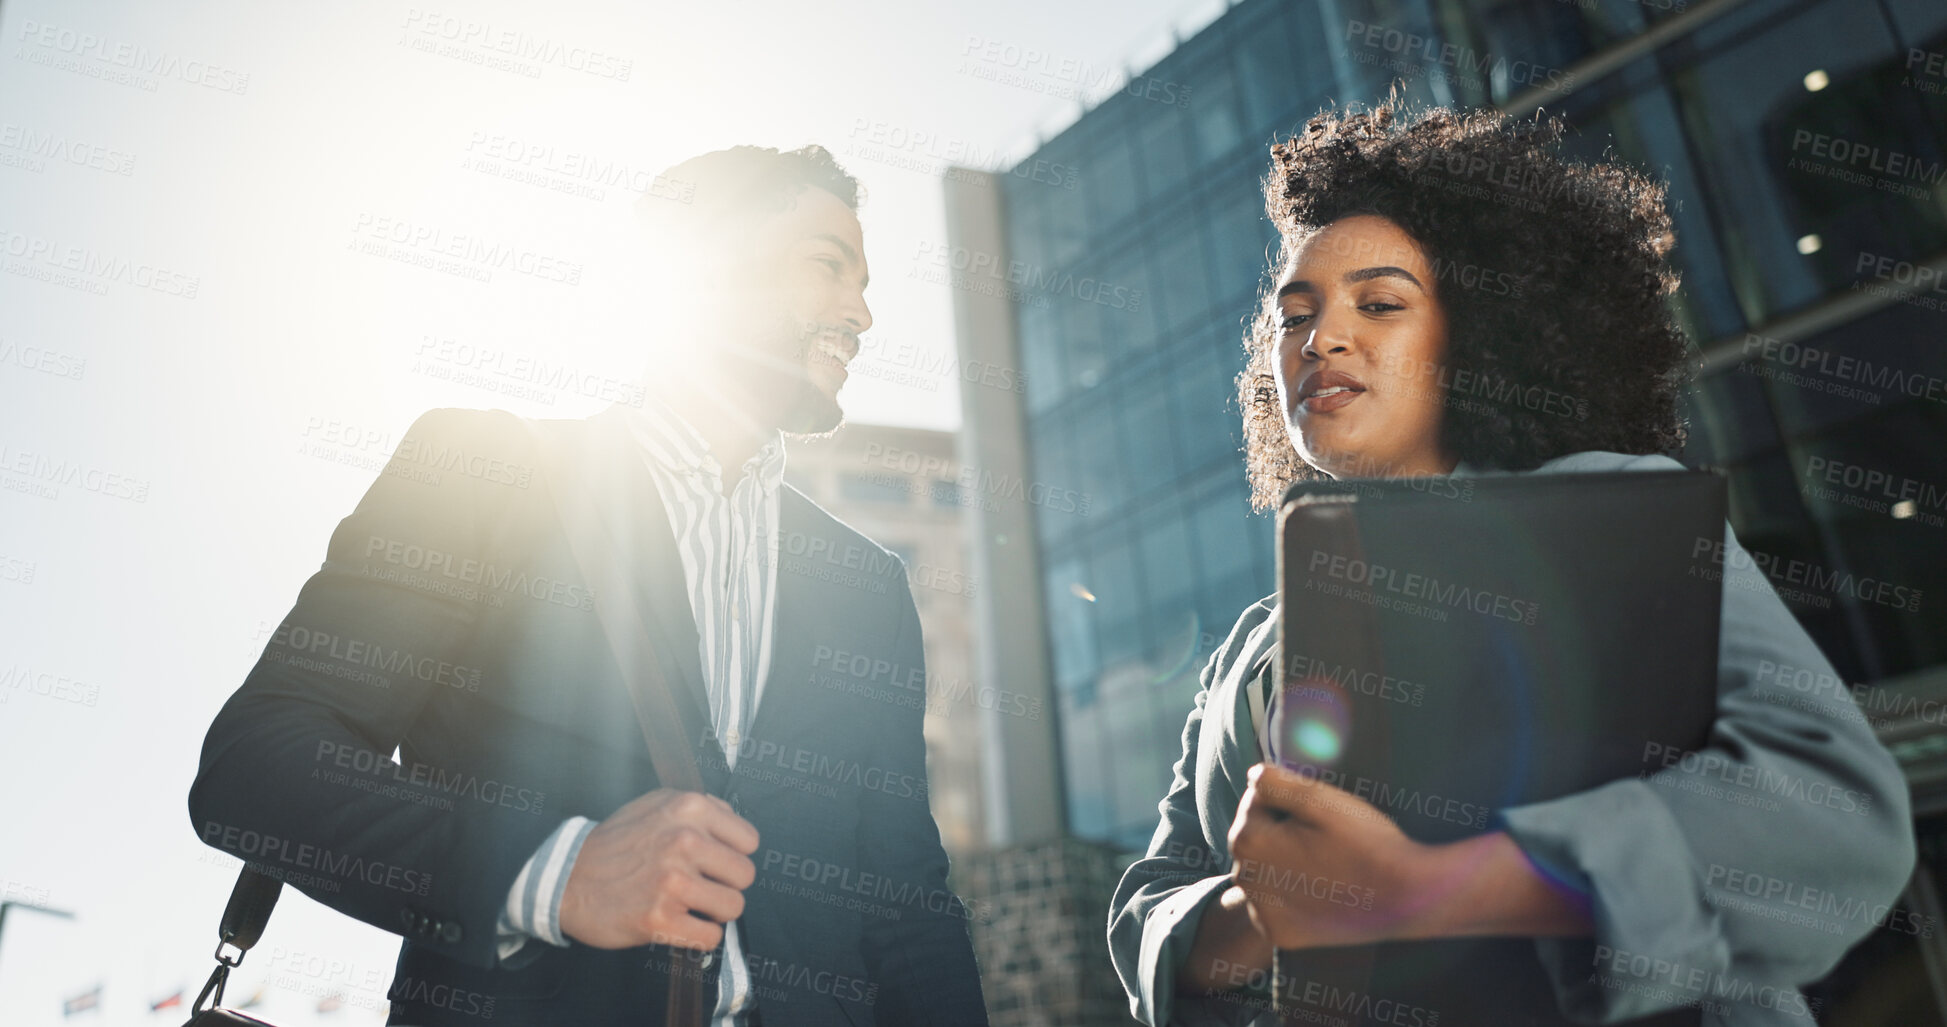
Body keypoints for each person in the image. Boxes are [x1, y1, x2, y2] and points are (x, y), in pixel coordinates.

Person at [1106, 102, 1916, 1026]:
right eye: (1295, 316)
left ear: (1477, 335)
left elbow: (1829, 808)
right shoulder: (1244, 653)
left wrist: (1433, 886)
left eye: (1378, 304)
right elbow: (1149, 904)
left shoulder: (1614, 511)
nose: (1321, 338)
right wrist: (1261, 908)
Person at [189, 144, 988, 1026]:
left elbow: (907, 906)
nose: (862, 312)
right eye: (828, 265)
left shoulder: (866, 586)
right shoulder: (483, 471)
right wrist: (557, 871)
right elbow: (253, 763)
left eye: (866, 281)